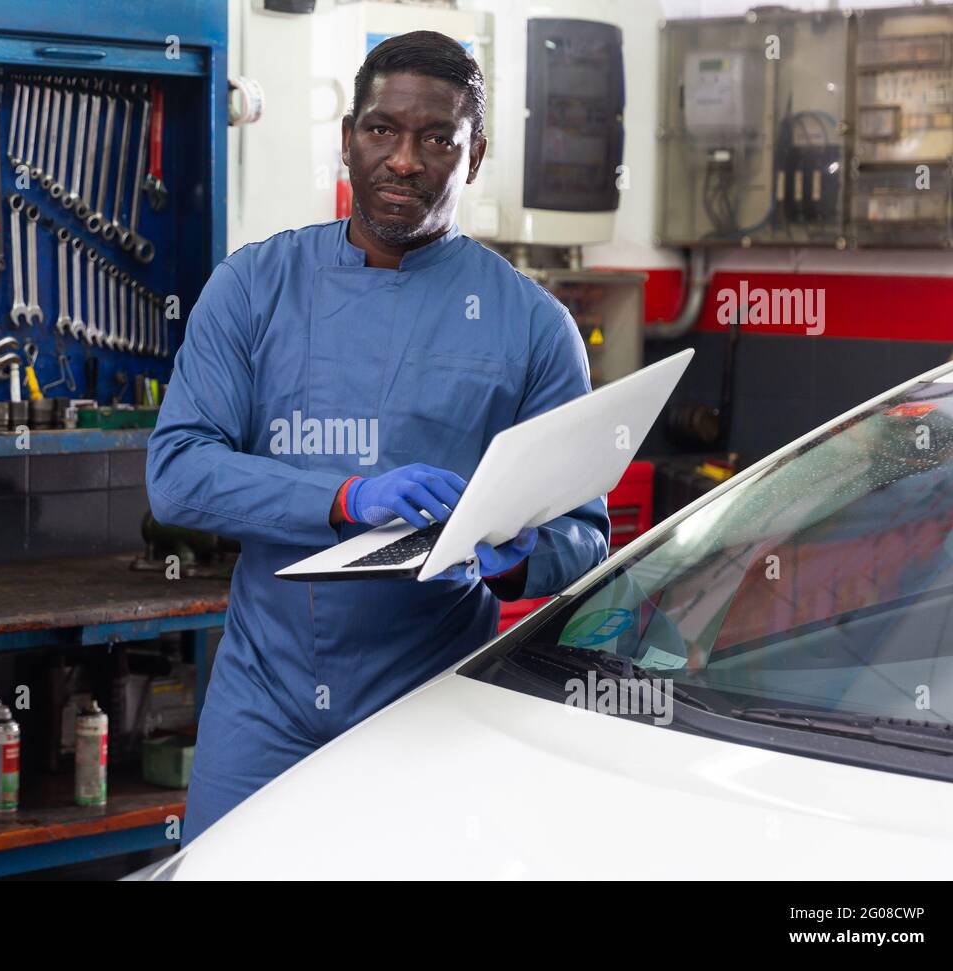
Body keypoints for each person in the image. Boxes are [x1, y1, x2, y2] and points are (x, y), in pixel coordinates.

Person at [147, 30, 610, 845]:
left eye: (437, 138)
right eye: (381, 130)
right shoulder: (254, 287)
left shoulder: (534, 327)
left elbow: (585, 536)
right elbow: (179, 473)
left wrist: (518, 552)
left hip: (429, 705)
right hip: (262, 699)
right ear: (347, 138)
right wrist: (343, 497)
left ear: (473, 156)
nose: (403, 159)